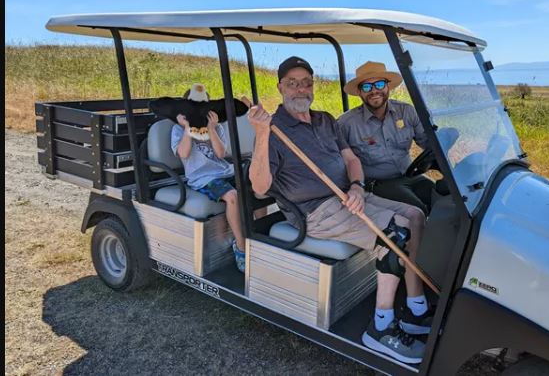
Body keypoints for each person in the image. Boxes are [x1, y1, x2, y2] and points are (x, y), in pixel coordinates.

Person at [247, 57, 433, 364]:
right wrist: (261, 133)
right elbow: (258, 187)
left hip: (348, 196)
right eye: (292, 83)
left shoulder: (325, 120)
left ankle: (415, 307)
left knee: (415, 215)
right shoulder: (274, 129)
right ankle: (380, 328)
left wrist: (358, 186)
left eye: (306, 82)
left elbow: (351, 160)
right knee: (394, 233)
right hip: (315, 211)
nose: (300, 89)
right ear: (280, 87)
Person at [337, 61, 435, 216]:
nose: (374, 91)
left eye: (380, 84)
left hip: (411, 176)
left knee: (445, 198)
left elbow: (429, 143)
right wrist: (355, 188)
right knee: (420, 210)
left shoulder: (407, 112)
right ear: (360, 92)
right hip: (378, 184)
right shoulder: (346, 124)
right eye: (367, 87)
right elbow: (338, 161)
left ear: (388, 86)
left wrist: (443, 143)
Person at [171, 83, 246, 273]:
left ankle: (259, 241)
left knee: (256, 188)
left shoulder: (217, 128)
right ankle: (242, 247)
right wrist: (188, 127)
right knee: (231, 196)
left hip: (224, 171)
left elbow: (221, 154)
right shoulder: (178, 130)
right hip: (202, 178)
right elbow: (184, 153)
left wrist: (211, 128)